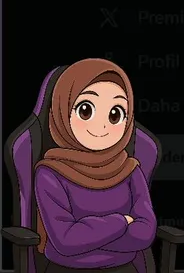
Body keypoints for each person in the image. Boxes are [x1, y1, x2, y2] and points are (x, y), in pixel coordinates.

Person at [34, 59, 156, 272]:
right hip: (67, 269)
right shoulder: (50, 174)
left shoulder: (129, 169)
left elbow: (145, 233)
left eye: (115, 114)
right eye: (86, 111)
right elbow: (65, 242)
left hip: (122, 267)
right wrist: (122, 221)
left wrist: (89, 237)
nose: (101, 126)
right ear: (63, 111)